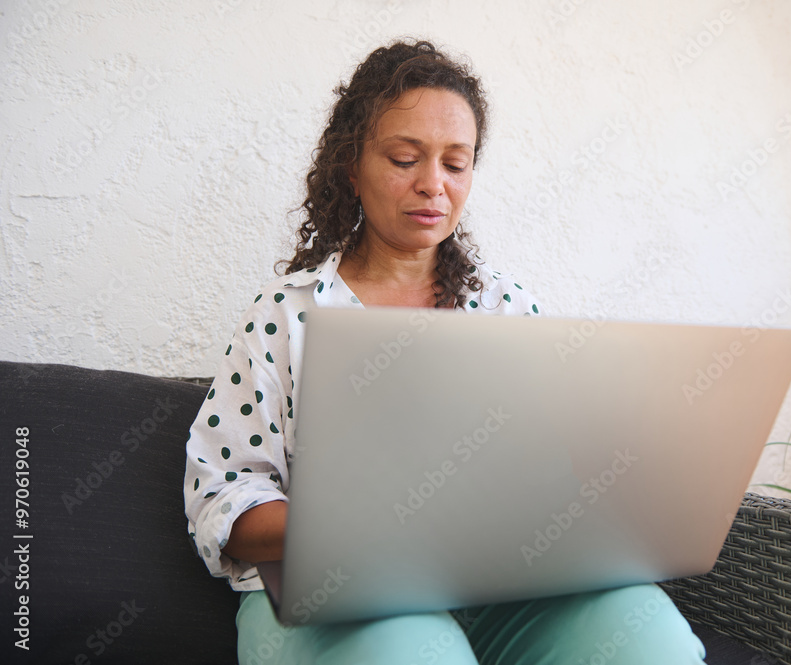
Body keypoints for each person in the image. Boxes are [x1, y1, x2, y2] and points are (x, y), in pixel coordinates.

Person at [183, 39, 707, 665]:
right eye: (405, 158)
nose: (432, 184)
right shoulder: (289, 314)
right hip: (332, 599)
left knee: (649, 632)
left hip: (499, 593)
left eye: (455, 165)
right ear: (351, 167)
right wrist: (367, 533)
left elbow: (563, 472)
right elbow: (222, 496)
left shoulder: (507, 309)